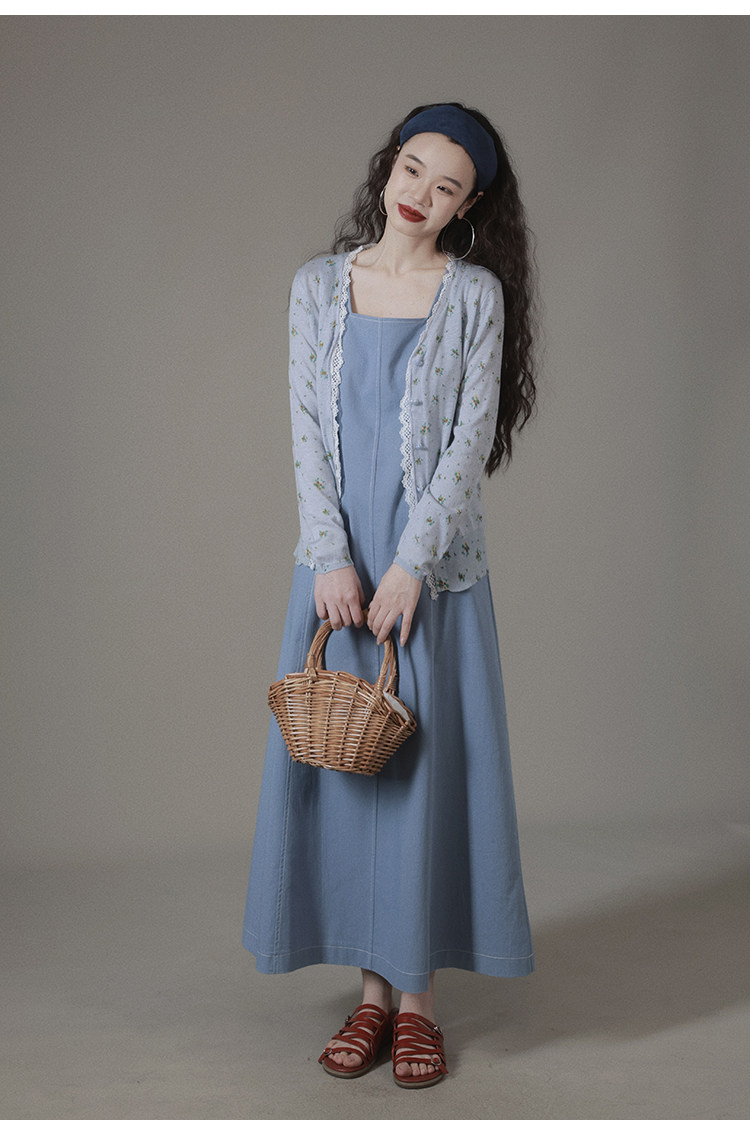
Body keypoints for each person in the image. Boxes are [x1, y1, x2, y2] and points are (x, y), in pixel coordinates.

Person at [243, 102, 537, 1089]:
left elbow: (468, 441)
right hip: (336, 572)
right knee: (348, 772)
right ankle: (368, 997)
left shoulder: (475, 296)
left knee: (420, 780)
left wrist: (411, 565)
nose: (419, 195)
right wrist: (332, 556)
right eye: (412, 169)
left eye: (446, 186)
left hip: (432, 571)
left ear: (469, 206)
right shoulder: (317, 287)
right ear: (389, 166)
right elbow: (304, 428)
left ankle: (416, 1005)